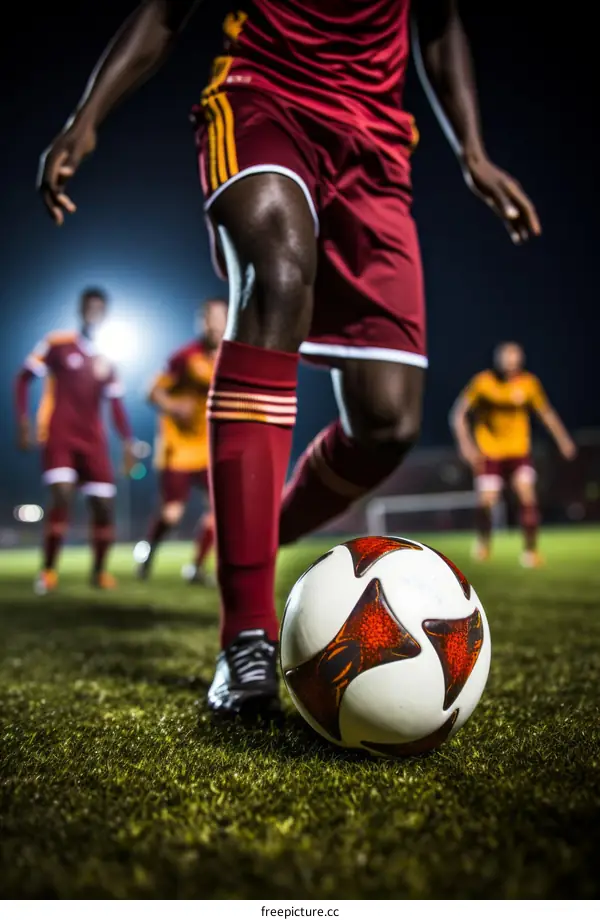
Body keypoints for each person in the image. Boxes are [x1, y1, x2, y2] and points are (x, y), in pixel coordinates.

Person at [38, 0, 541, 716]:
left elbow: (438, 22)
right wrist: (86, 118)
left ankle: (253, 531)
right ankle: (246, 634)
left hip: (376, 143)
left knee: (387, 424)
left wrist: (472, 150)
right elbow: (163, 11)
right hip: (261, 93)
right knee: (274, 278)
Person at [15, 288, 135, 592]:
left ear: (105, 314)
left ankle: (98, 573)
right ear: (81, 310)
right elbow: (23, 377)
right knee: (62, 494)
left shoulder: (106, 360)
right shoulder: (57, 344)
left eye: (99, 308)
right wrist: (24, 421)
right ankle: (48, 571)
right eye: (89, 307)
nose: (94, 312)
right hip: (60, 436)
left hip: (94, 442)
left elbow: (117, 405)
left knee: (104, 505)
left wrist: (128, 442)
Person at [450, 342, 577, 567]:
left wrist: (563, 440)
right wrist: (466, 445)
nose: (510, 368)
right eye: (506, 363)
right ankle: (484, 541)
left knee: (527, 495)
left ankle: (530, 551)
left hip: (519, 451)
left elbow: (546, 413)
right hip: (489, 451)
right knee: (486, 502)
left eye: (514, 363)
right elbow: (458, 413)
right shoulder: (483, 383)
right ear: (497, 362)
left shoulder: (529, 384)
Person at [139, 297, 227, 583]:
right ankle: (149, 551)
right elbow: (152, 392)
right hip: (176, 449)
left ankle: (196, 568)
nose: (214, 325)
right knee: (172, 514)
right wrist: (173, 406)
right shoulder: (184, 357)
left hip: (207, 450)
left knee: (219, 511)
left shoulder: (229, 358)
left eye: (220, 318)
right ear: (200, 322)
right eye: (209, 318)